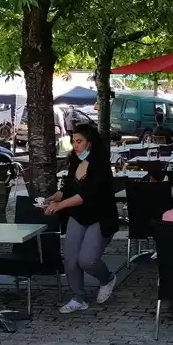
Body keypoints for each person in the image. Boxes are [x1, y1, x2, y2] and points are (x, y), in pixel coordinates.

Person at [44, 124, 118, 314]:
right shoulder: (75, 162)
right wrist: (55, 197)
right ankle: (78, 297)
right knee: (70, 260)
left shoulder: (100, 165)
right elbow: (69, 189)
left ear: (90, 143)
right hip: (78, 215)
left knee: (88, 260)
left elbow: (86, 194)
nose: (75, 146)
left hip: (99, 216)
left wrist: (60, 206)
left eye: (79, 141)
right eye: (73, 142)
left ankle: (107, 279)